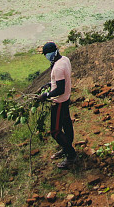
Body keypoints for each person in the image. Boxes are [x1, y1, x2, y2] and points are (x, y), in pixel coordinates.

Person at [37, 41, 76, 169]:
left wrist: (46, 95)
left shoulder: (58, 67)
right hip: (66, 98)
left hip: (59, 101)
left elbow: (60, 90)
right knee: (66, 123)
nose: (45, 57)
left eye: (46, 54)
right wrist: (49, 84)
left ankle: (71, 155)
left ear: (51, 53)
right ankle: (66, 147)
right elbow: (60, 80)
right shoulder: (65, 59)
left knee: (55, 131)